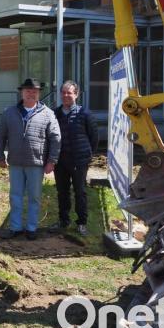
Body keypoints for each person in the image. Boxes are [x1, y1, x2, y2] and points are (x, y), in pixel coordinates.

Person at [0, 78, 61, 241]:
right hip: (15, 162)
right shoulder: (9, 112)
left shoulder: (48, 114)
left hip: (36, 163)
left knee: (34, 197)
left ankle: (32, 228)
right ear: (21, 92)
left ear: (39, 93)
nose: (31, 93)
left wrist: (52, 161)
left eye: (34, 91)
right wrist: (0, 156)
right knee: (15, 196)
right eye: (28, 90)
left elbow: (55, 138)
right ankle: (15, 227)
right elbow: (0, 135)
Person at [53, 81, 99, 235]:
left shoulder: (85, 114)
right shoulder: (55, 114)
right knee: (62, 191)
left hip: (79, 160)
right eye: (64, 92)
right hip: (60, 161)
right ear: (60, 94)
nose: (66, 95)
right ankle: (63, 220)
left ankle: (81, 222)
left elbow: (94, 137)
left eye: (70, 93)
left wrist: (87, 154)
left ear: (76, 94)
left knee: (80, 191)